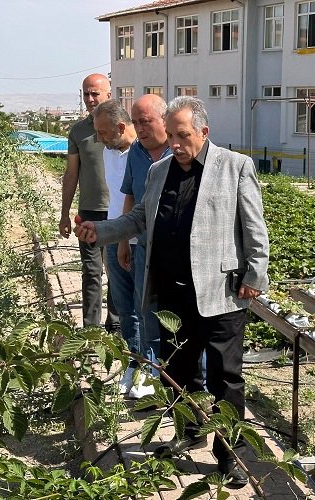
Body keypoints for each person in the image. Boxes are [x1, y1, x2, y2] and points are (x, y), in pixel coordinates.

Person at [74, 96, 269, 486]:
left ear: (203, 132)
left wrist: (255, 275)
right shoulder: (159, 170)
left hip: (220, 293)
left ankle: (230, 453)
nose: (176, 144)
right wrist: (105, 232)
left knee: (224, 377)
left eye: (184, 136)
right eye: (173, 136)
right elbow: (141, 216)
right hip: (172, 292)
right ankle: (189, 430)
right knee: (177, 370)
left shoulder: (235, 167)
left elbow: (255, 228)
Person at [119, 94, 171, 397]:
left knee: (175, 316)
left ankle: (183, 380)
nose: (140, 128)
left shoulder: (179, 152)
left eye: (146, 121)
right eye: (136, 122)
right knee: (145, 310)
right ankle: (152, 376)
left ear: (163, 120)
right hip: (142, 247)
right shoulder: (135, 153)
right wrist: (125, 240)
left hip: (173, 250)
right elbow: (130, 197)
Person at [91, 99, 143, 396]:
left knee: (145, 309)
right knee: (125, 309)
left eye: (103, 132)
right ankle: (133, 365)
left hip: (138, 241)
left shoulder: (143, 154)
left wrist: (125, 238)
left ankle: (149, 369)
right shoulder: (111, 151)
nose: (100, 138)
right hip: (116, 239)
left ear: (121, 127)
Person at [59, 74, 118, 330]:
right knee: (92, 273)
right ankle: (91, 331)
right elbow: (71, 174)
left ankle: (116, 325)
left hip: (118, 212)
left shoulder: (123, 127)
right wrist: (64, 213)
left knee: (118, 272)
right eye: (86, 94)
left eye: (95, 93)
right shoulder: (79, 131)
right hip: (89, 213)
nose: (91, 99)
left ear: (108, 94)